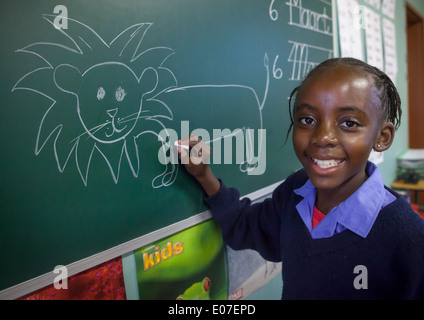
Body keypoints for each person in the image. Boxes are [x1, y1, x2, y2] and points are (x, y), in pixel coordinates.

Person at [176, 58, 424, 299]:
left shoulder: (407, 237)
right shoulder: (294, 192)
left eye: (348, 123)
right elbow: (246, 227)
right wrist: (204, 175)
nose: (322, 137)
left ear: (382, 137)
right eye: (308, 120)